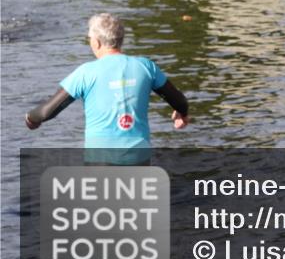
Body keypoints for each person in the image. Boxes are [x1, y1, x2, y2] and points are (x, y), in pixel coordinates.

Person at [25, 13, 189, 162]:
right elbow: (179, 100)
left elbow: (47, 112)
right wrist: (181, 111)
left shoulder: (85, 73)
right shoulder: (146, 67)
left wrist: (31, 119)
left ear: (96, 42)